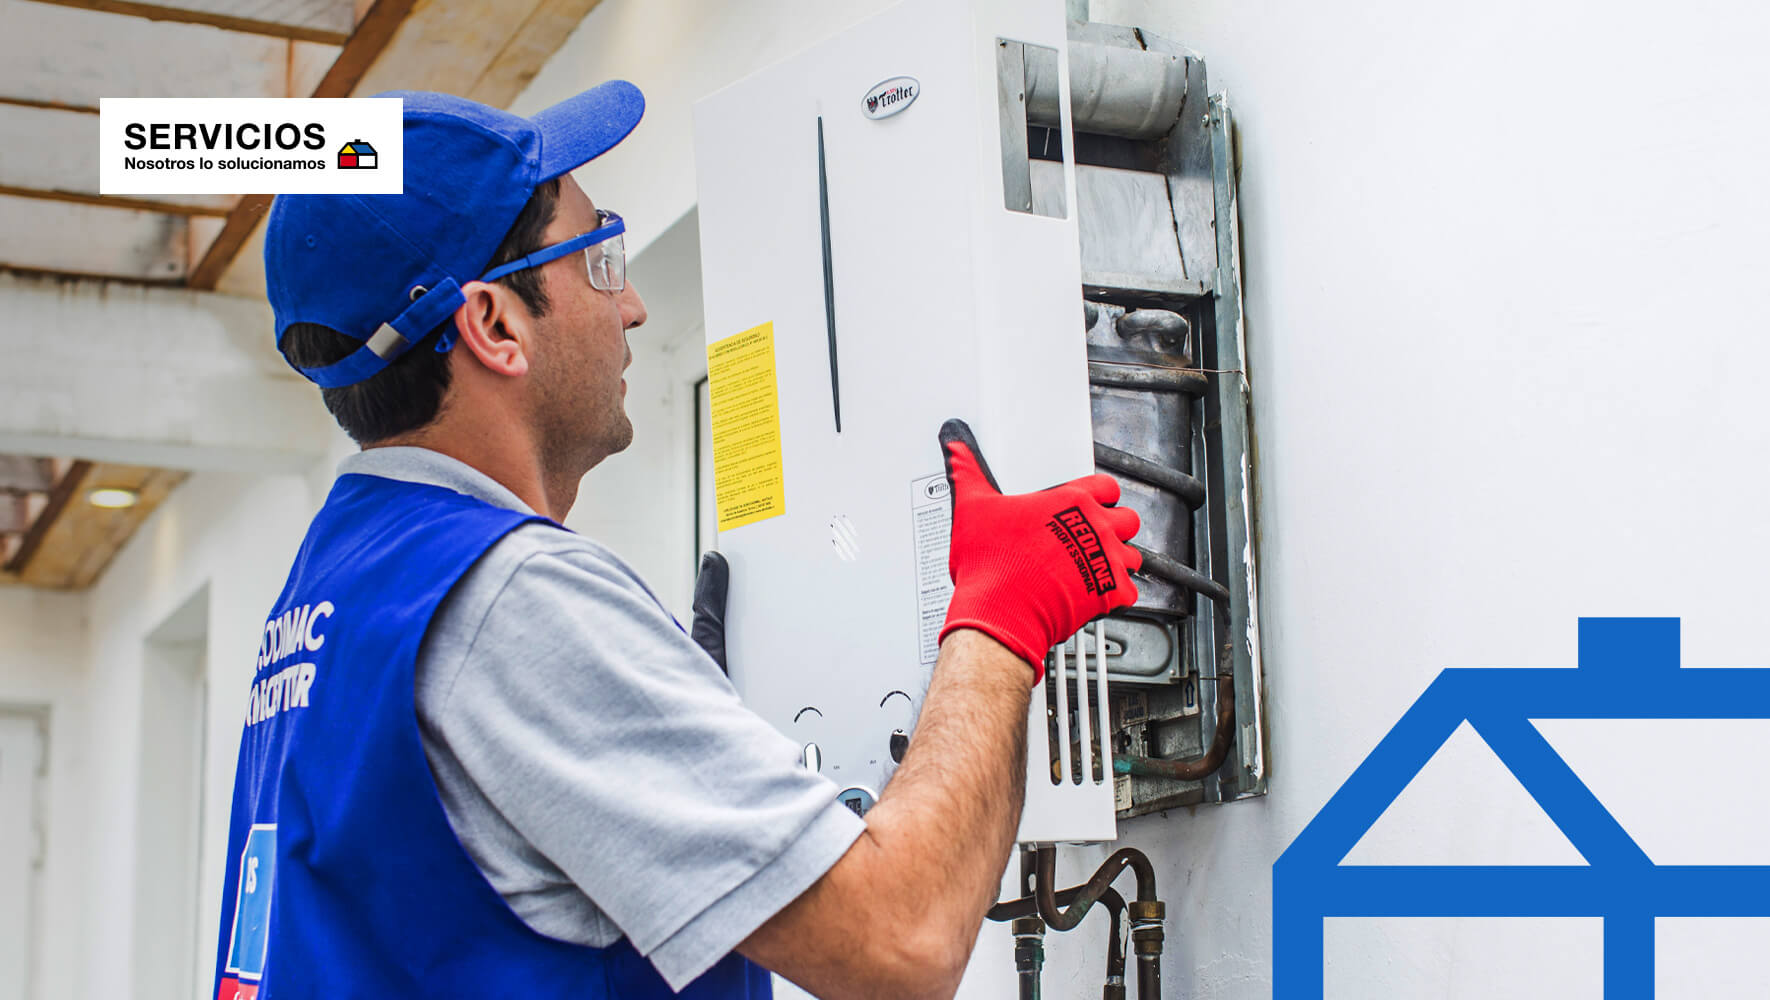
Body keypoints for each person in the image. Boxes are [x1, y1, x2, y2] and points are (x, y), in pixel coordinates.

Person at [213, 83, 1142, 1000]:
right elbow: (902, 943)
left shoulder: (339, 589)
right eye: (600, 260)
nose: (635, 310)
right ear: (495, 326)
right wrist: (999, 624)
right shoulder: (510, 600)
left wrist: (685, 751)